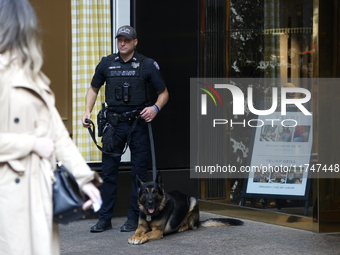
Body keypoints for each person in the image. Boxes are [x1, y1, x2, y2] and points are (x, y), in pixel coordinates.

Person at [0, 0, 102, 254]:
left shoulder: (33, 76)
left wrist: (84, 179)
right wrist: (30, 144)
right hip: (8, 195)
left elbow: (58, 135)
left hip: (37, 192)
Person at [82, 25, 169, 233]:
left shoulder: (147, 65)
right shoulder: (107, 63)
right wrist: (87, 112)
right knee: (109, 173)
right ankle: (104, 219)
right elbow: (94, 89)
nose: (122, 43)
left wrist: (155, 108)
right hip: (113, 124)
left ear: (135, 42)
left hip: (138, 124)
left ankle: (133, 218)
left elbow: (164, 93)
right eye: (119, 39)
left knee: (137, 173)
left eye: (126, 40)